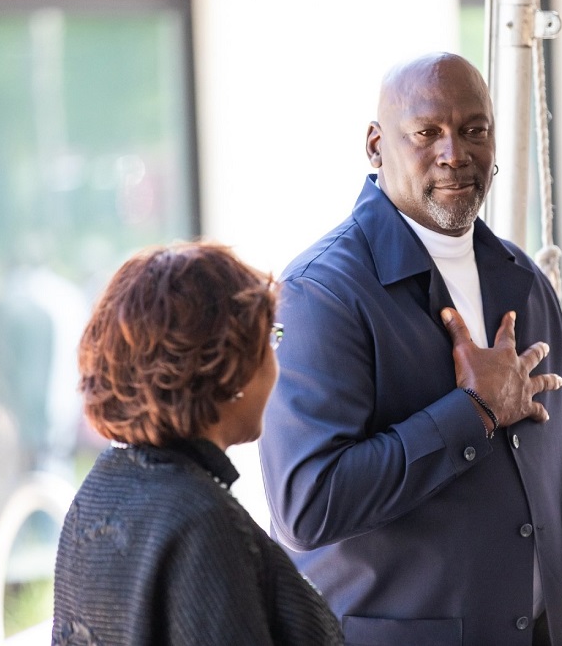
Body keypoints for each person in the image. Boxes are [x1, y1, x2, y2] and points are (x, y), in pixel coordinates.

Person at [259, 52, 562, 646]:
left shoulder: (522, 279)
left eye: (475, 130)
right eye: (427, 132)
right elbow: (307, 506)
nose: (455, 152)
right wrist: (472, 412)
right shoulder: (321, 293)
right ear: (375, 146)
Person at [51, 241, 343, 646]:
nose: (275, 363)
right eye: (269, 340)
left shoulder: (99, 490)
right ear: (227, 363)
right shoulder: (201, 521)